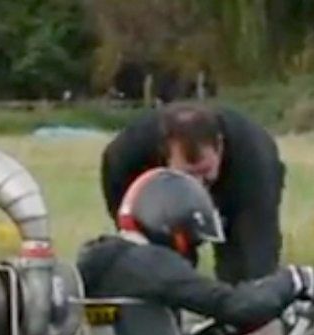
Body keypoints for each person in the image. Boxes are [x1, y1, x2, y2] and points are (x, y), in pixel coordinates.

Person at [77, 168, 314, 335]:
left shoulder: (102, 261)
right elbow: (238, 306)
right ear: (171, 222)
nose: (192, 250)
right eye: (192, 241)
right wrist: (293, 280)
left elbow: (161, 327)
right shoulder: (151, 263)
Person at [100, 103, 285, 286]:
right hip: (162, 186)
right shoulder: (129, 153)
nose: (197, 184)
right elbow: (126, 215)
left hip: (241, 178)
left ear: (219, 146)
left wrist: (256, 292)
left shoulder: (254, 158)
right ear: (164, 154)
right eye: (188, 175)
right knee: (154, 261)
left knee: (245, 266)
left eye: (204, 172)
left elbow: (259, 241)